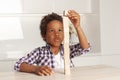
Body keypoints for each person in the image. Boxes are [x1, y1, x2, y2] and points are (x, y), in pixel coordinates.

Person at [14, 10, 91, 76]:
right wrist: (36, 69)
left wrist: (77, 26)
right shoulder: (40, 52)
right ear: (44, 35)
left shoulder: (67, 50)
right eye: (52, 31)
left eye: (60, 30)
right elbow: (18, 64)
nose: (57, 34)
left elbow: (85, 48)